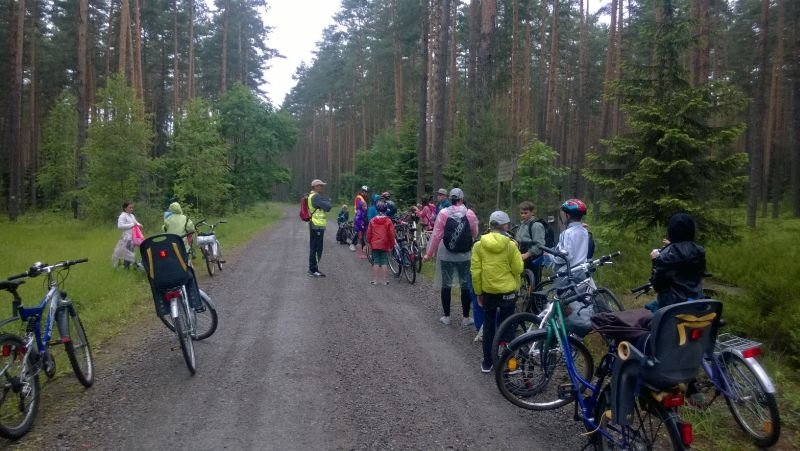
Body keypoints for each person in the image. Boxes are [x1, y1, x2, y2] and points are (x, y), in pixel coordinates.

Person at [471, 211, 523, 373]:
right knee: (508, 326)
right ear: (505, 225)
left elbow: (476, 272)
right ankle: (511, 365)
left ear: (490, 224)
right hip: (508, 291)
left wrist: (479, 292)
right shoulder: (511, 245)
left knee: (489, 325)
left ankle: (488, 363)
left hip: (488, 291)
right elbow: (518, 269)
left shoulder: (479, 245)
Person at [423, 188, 479, 326]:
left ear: (450, 199)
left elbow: (436, 235)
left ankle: (447, 317)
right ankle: (466, 317)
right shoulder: (470, 213)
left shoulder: (443, 213)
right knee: (465, 285)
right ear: (462, 198)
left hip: (446, 254)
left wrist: (428, 253)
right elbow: (474, 233)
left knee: (446, 284)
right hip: (465, 255)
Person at [648, 213, 706, 311]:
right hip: (696, 302)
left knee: (649, 309)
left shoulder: (666, 255)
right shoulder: (699, 251)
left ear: (671, 230)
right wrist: (673, 245)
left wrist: (655, 260)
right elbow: (697, 271)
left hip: (672, 306)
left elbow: (657, 285)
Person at [551, 198, 590, 275]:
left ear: (568, 216)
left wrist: (551, 256)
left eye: (563, 214)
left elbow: (564, 257)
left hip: (569, 273)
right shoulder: (585, 231)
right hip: (582, 270)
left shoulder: (566, 233)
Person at [514, 201, 546, 286]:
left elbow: (540, 245)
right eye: (521, 213)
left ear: (532, 212)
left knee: (535, 284)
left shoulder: (536, 225)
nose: (523, 215)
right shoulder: (522, 225)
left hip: (533, 258)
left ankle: (537, 295)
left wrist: (527, 254)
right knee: (526, 282)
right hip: (523, 257)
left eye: (525, 213)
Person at [366, 200, 396, 285]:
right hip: (384, 244)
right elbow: (391, 234)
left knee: (376, 262)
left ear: (377, 210)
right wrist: (391, 244)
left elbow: (369, 233)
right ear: (385, 210)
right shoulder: (388, 221)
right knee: (384, 262)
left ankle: (375, 280)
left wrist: (369, 242)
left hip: (375, 244)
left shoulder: (372, 220)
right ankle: (384, 281)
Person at [307, 179, 332, 277]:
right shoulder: (316, 197)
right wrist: (327, 200)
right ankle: (313, 270)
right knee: (317, 248)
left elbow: (327, 206)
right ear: (315, 187)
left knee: (315, 247)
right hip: (316, 225)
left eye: (322, 186)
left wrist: (325, 201)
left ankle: (314, 269)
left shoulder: (313, 196)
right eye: (320, 186)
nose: (322, 187)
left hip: (316, 225)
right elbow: (328, 207)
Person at [112, 201, 143, 269]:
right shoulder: (122, 216)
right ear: (125, 208)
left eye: (132, 208)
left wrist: (139, 225)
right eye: (130, 207)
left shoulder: (132, 216)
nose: (131, 209)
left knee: (130, 252)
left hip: (134, 237)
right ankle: (127, 268)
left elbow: (135, 222)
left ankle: (131, 266)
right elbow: (120, 226)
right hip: (127, 237)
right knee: (129, 253)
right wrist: (132, 225)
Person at [351, 185, 369, 253]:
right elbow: (359, 207)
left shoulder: (364, 198)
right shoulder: (359, 197)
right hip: (358, 216)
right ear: (362, 191)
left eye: (367, 192)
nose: (366, 193)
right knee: (358, 231)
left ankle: (363, 246)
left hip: (363, 216)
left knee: (363, 231)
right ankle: (352, 244)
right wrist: (365, 209)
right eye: (365, 192)